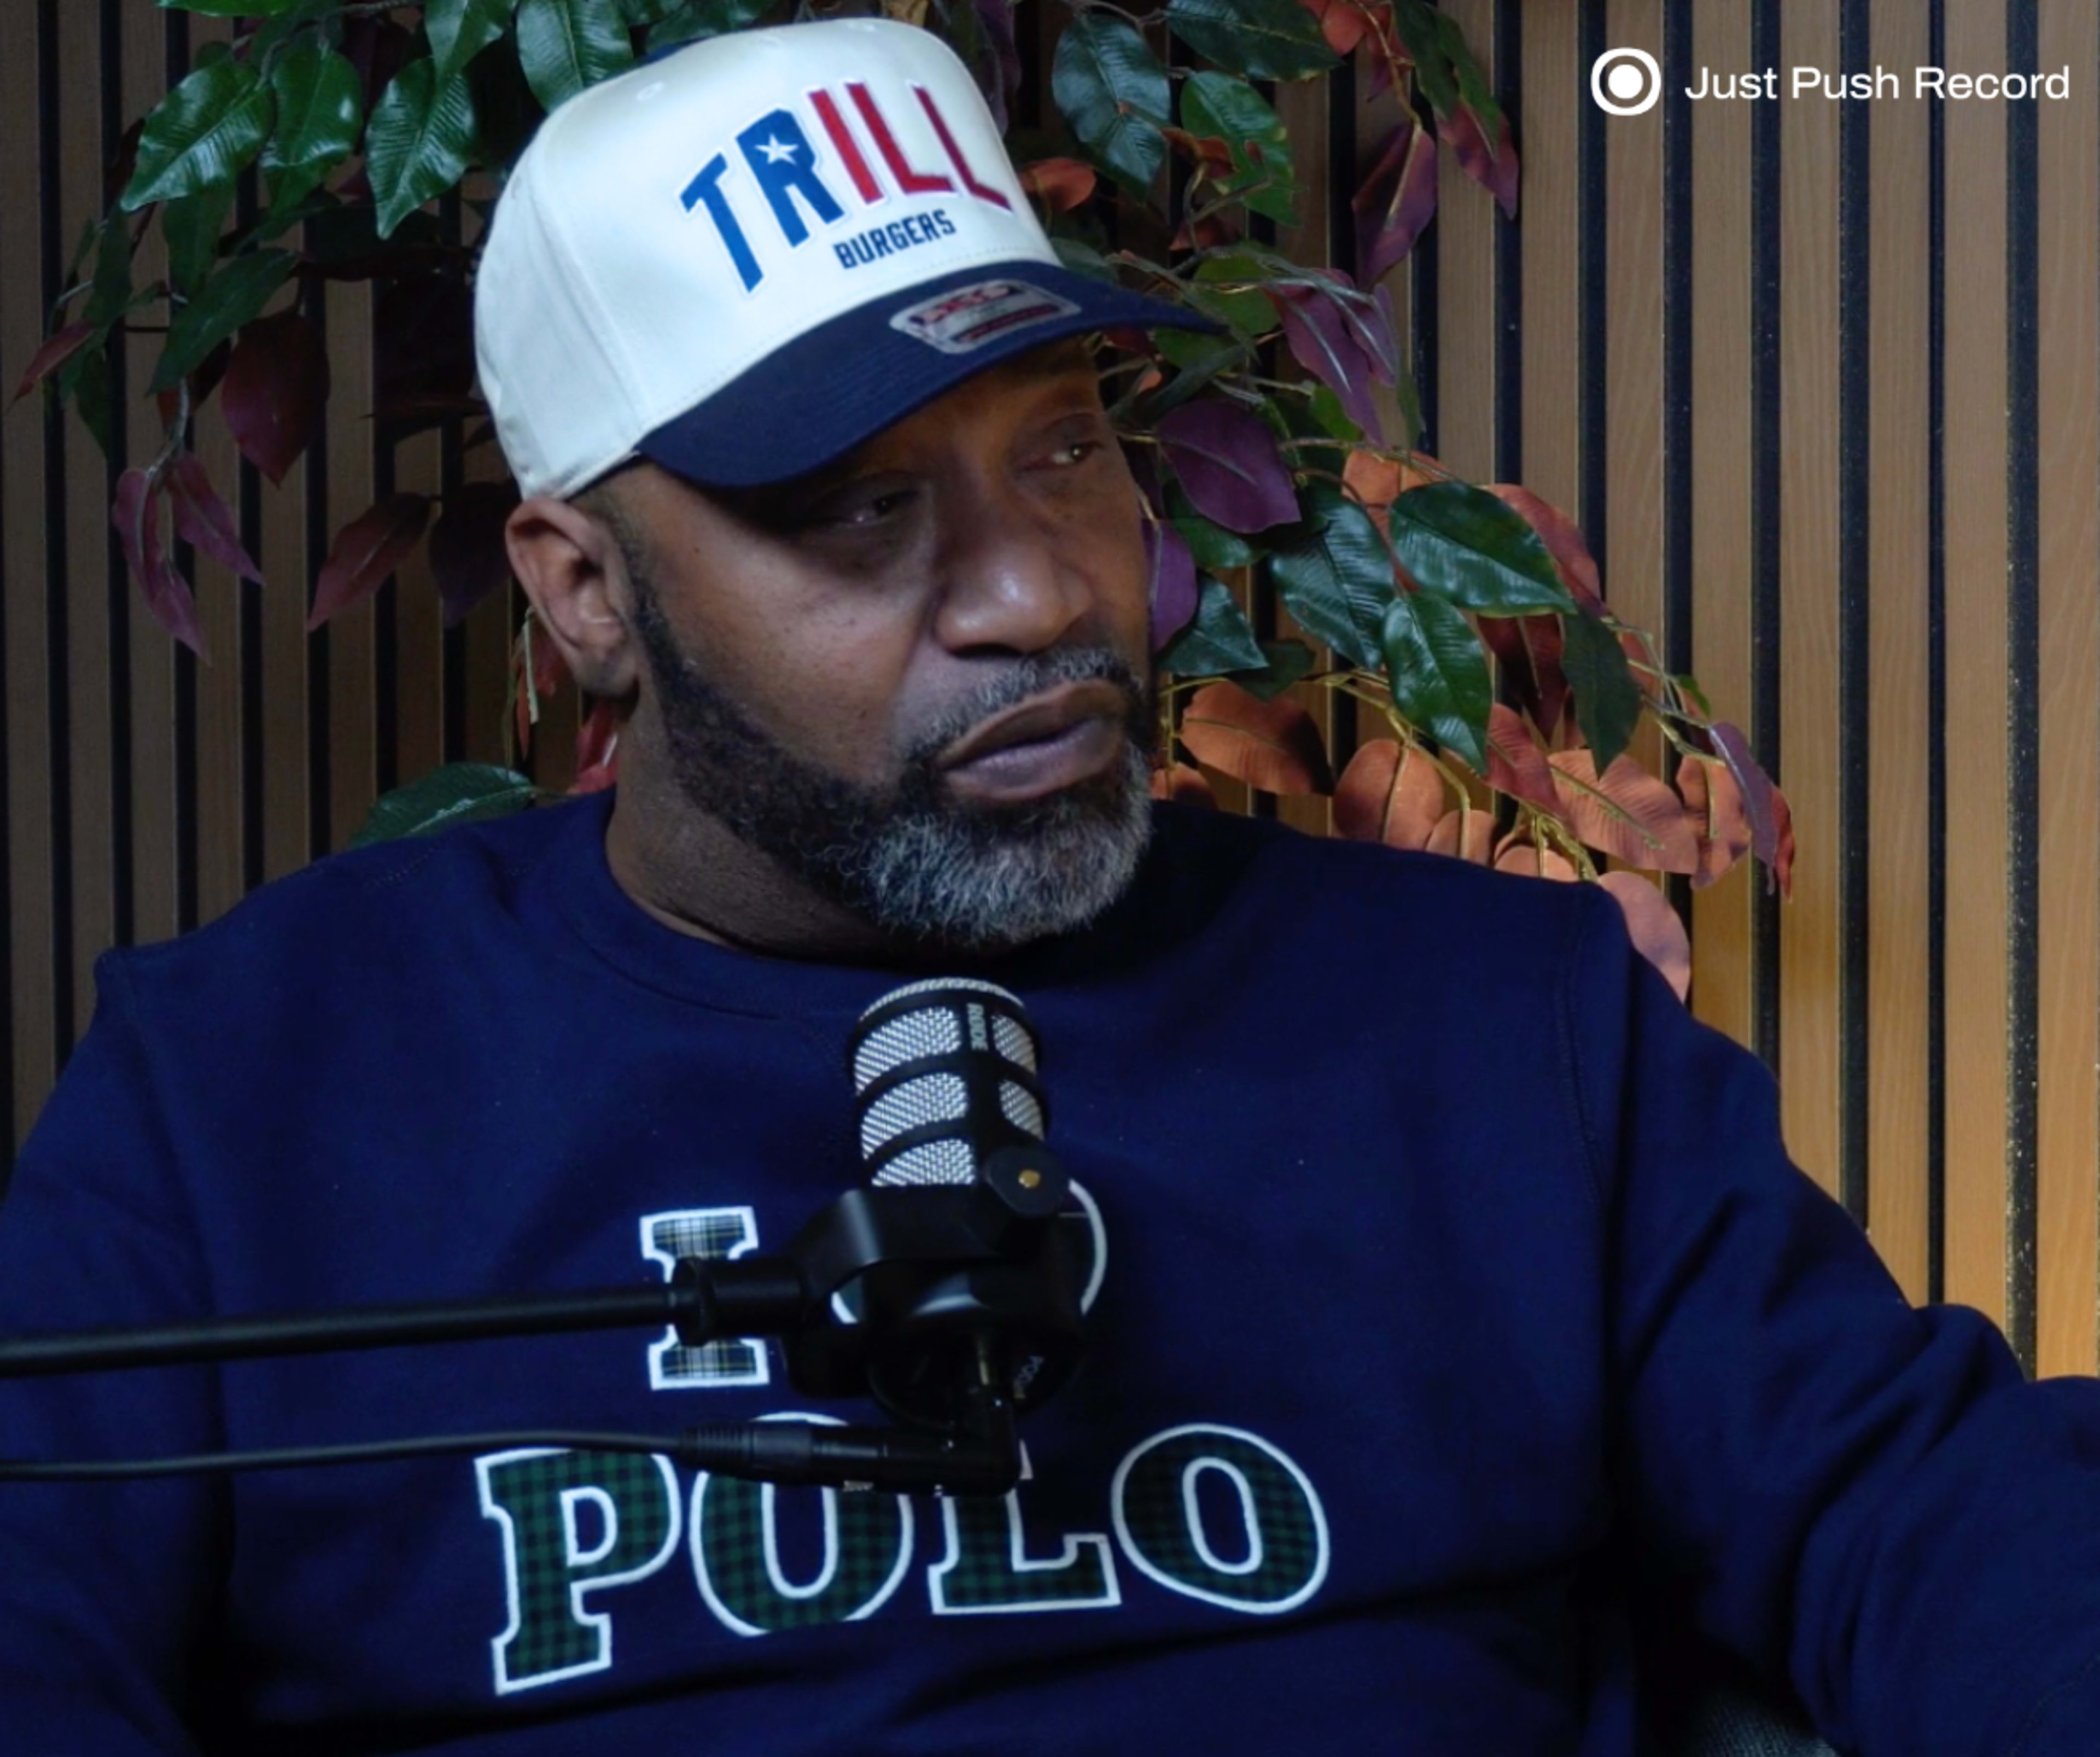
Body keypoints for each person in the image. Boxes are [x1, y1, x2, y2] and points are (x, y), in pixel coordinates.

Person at [3, 17, 2098, 1754]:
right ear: (583, 594)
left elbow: (1942, 1526)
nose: (1041, 595)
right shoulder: (241, 1093)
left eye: (1070, 449)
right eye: (861, 509)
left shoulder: (1505, 1022)